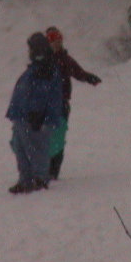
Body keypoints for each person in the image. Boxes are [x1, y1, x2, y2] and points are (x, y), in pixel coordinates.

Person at [6, 32, 63, 194]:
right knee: (21, 148)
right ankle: (25, 179)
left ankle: (39, 179)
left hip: (35, 118)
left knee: (37, 149)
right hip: (22, 115)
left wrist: (38, 114)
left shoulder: (46, 68)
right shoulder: (38, 67)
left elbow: (43, 92)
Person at [45, 26, 101, 180]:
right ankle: (45, 168)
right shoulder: (44, 61)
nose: (57, 44)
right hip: (47, 105)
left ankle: (53, 171)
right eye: (54, 42)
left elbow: (78, 72)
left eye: (59, 41)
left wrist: (90, 78)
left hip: (62, 104)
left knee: (59, 136)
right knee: (47, 136)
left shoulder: (65, 59)